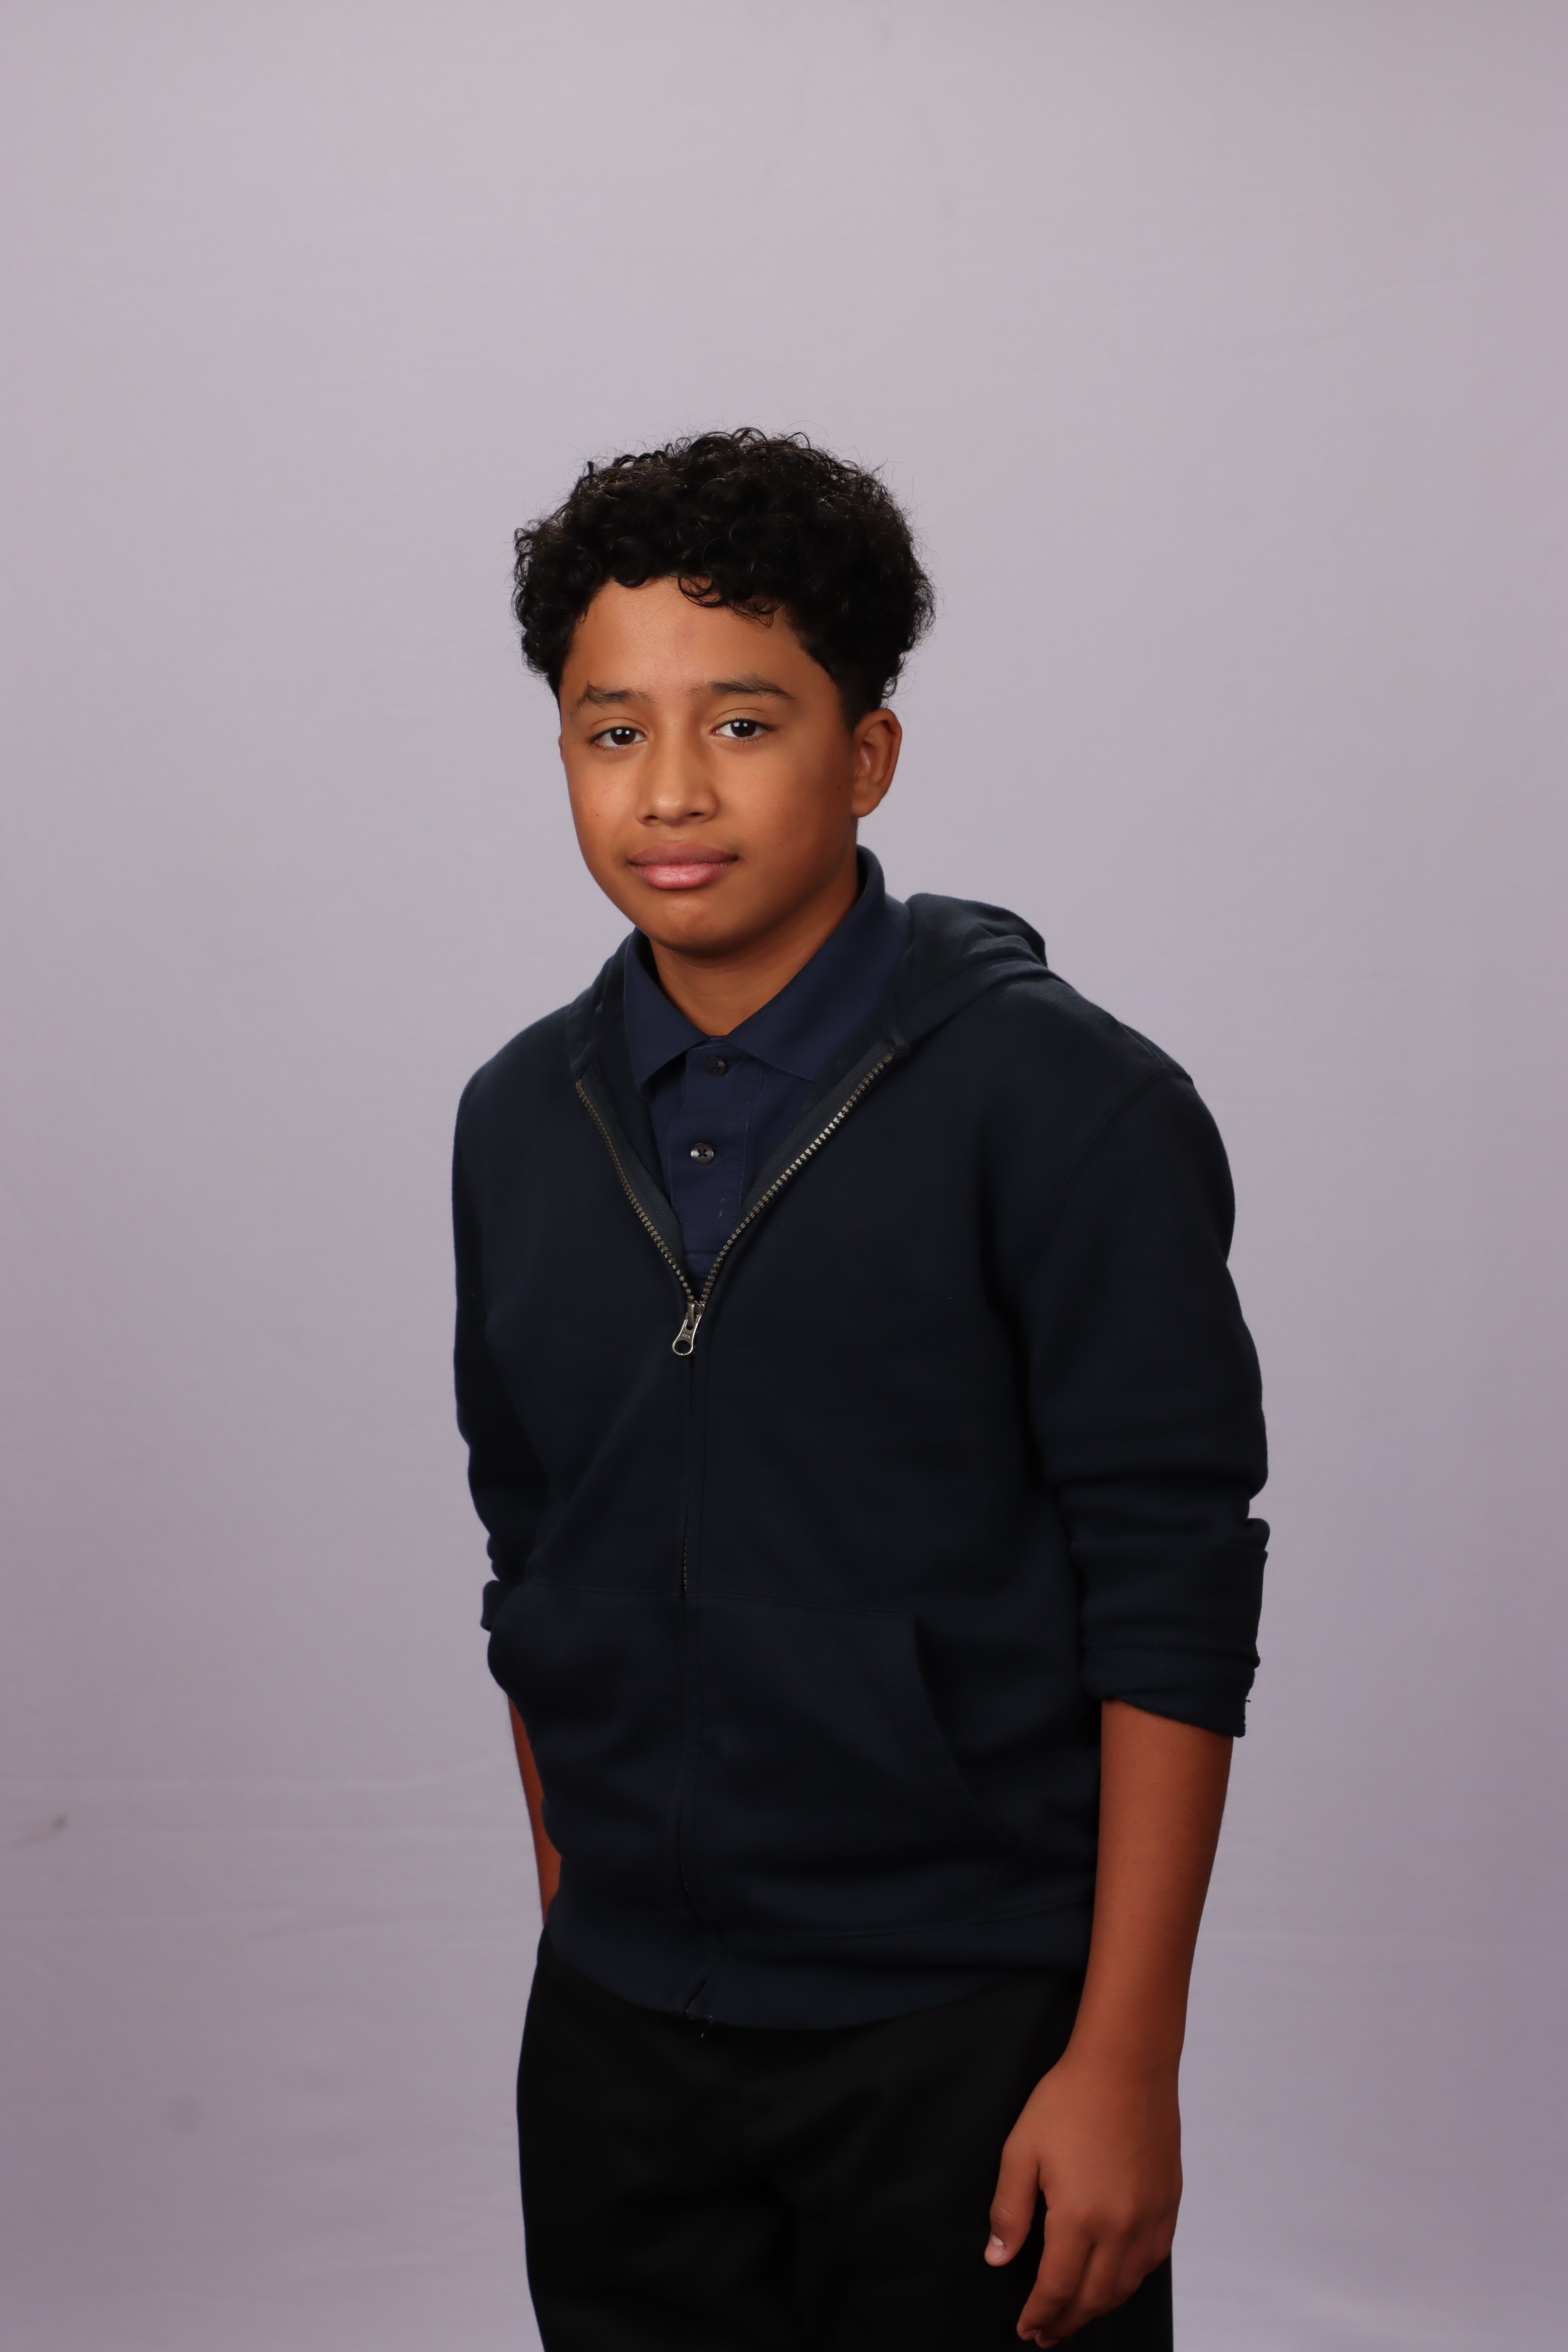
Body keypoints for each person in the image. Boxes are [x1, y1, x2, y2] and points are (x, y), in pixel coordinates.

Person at [452, 429, 1267, 2350]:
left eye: (742, 724)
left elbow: (1172, 1587)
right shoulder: (515, 1119)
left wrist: (1123, 2061)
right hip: (621, 2044)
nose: (669, 789)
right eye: (610, 731)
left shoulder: (1069, 1108)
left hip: (965, 2035)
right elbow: (531, 1556)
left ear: (866, 752)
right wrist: (595, 1921)